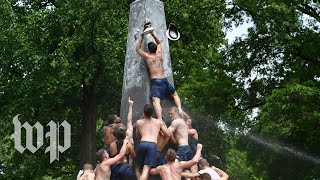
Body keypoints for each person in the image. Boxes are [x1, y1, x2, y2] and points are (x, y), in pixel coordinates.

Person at [136, 30, 183, 120]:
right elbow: (159, 42)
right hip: (164, 80)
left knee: (156, 101)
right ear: (156, 49)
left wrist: (142, 37)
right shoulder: (160, 53)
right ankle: (180, 109)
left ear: (149, 50)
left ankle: (160, 119)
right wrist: (153, 34)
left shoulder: (148, 57)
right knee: (175, 95)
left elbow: (137, 49)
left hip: (156, 82)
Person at [135, 104, 171, 180]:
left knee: (137, 167)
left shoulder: (139, 122)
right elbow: (168, 134)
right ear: (152, 113)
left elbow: (137, 136)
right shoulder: (158, 122)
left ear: (144, 113)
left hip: (143, 143)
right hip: (152, 145)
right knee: (145, 170)